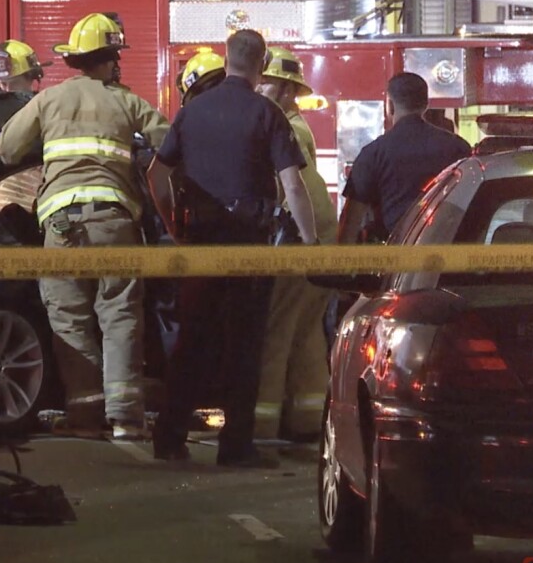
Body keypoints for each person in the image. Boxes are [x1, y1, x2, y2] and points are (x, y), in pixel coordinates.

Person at [0, 12, 169, 441]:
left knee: (69, 319)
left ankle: (85, 417)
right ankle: (126, 418)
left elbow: (5, 150)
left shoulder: (48, 100)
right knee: (120, 314)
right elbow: (171, 143)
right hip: (114, 221)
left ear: (75, 60)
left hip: (61, 222)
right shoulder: (126, 101)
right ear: (110, 59)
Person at [147, 30, 319, 468]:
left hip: (201, 246)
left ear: (226, 59)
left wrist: (174, 225)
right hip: (249, 245)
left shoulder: (191, 112)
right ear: (261, 64)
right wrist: (310, 241)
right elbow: (293, 186)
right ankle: (235, 446)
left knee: (193, 341)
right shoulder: (267, 113)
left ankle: (168, 438)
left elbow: (156, 174)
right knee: (244, 346)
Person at [253, 47, 336, 443]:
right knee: (306, 333)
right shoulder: (295, 124)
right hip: (318, 237)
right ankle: (307, 419)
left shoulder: (285, 127)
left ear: (287, 89)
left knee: (276, 331)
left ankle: (262, 425)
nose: (258, 88)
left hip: (299, 239)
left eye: (265, 81)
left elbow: (290, 187)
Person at [337, 72, 471, 244]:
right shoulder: (458, 148)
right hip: (448, 252)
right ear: (425, 104)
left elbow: (350, 223)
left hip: (393, 258)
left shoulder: (373, 153)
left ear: (390, 106)